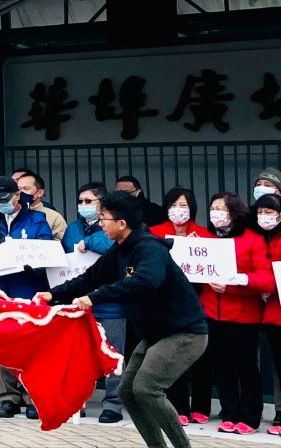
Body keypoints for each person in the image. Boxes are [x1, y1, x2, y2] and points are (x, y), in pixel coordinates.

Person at [39, 191, 208, 448]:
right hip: (156, 334)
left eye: (103, 218)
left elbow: (146, 281)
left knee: (146, 389)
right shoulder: (119, 250)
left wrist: (96, 297)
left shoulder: (148, 248)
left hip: (184, 332)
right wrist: (52, 294)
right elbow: (90, 277)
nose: (100, 223)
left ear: (121, 223)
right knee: (128, 393)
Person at [0, 175, 55, 420]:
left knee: (30, 346)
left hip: (28, 289)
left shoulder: (37, 219)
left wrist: (28, 258)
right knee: (2, 344)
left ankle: (32, 396)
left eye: (5, 198)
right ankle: (7, 398)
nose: (1, 204)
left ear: (17, 195)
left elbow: (46, 249)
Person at [203, 192, 269, 435]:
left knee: (246, 367)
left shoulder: (252, 239)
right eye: (213, 208)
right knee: (220, 366)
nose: (216, 213)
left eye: (222, 208)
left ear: (234, 212)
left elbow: (266, 279)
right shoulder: (205, 238)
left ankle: (250, 417)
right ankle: (229, 412)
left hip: (243, 315)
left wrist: (238, 281)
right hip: (212, 312)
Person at [61, 182, 125, 424]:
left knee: (113, 354)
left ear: (102, 204)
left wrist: (91, 243)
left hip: (110, 303)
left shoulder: (113, 227)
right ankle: (79, 401)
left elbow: (116, 247)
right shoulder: (72, 229)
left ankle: (113, 404)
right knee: (79, 357)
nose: (83, 206)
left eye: (89, 201)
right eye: (81, 201)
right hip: (79, 303)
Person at [149, 187, 212, 427]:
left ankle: (201, 406)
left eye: (184, 206)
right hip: (168, 302)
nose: (179, 211)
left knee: (201, 356)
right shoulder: (155, 234)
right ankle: (178, 406)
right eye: (174, 205)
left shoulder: (205, 236)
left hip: (200, 301)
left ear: (192, 208)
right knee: (172, 355)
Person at [253, 194, 281, 435]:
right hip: (267, 313)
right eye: (260, 212)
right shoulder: (257, 238)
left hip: (276, 309)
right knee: (275, 365)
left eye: (269, 212)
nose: (264, 217)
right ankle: (279, 413)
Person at [17, 173, 67, 240]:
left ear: (40, 193)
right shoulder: (11, 213)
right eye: (18, 189)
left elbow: (62, 245)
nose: (21, 192)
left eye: (26, 188)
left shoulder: (54, 217)